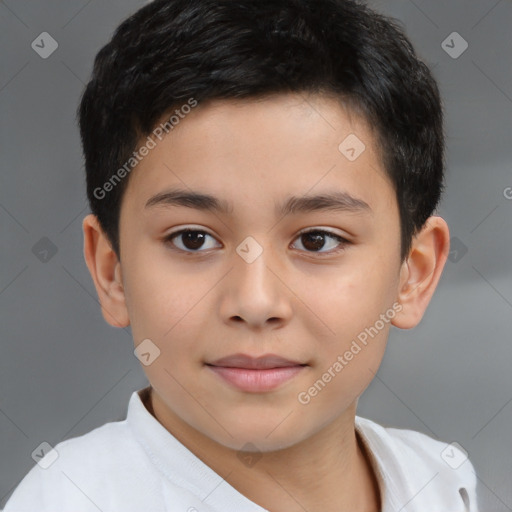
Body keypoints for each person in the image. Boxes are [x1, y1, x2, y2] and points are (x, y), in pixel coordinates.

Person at [3, 0, 479, 510]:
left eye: (317, 239)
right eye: (192, 239)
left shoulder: (439, 480)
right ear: (110, 271)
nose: (255, 301)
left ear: (415, 275)